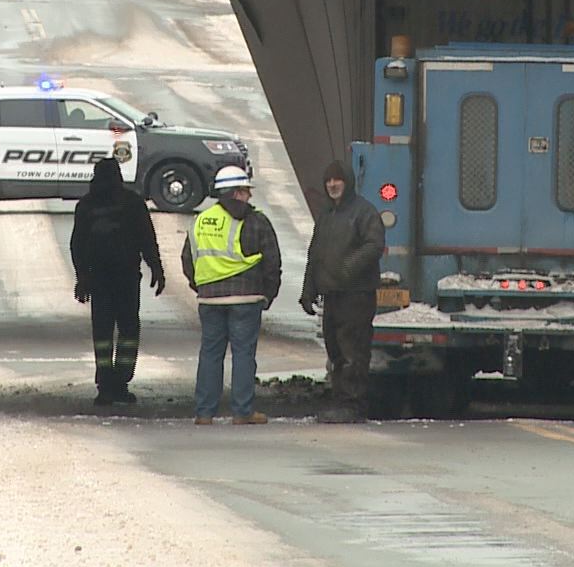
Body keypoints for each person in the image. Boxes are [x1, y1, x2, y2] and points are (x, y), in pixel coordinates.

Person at [182, 165, 282, 425]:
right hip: (246, 299)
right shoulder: (256, 220)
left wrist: (201, 286)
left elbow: (188, 259)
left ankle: (204, 413)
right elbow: (272, 261)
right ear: (236, 192)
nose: (249, 196)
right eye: (246, 191)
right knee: (243, 354)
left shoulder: (201, 220)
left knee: (210, 354)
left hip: (209, 299)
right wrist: (268, 294)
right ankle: (242, 411)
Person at [69, 156, 165, 407]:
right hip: (125, 278)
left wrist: (82, 277)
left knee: (102, 332)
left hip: (101, 279)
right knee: (129, 330)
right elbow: (147, 238)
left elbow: (77, 245)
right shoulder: (131, 203)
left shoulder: (87, 206)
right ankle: (120, 383)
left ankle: (106, 386)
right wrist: (156, 268)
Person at [300, 161, 386, 423]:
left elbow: (374, 245)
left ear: (347, 183)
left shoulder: (364, 212)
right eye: (328, 181)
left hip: (357, 294)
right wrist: (309, 289)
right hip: (332, 294)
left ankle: (353, 404)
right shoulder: (326, 216)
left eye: (337, 180)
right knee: (335, 349)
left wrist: (348, 268)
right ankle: (340, 400)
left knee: (353, 350)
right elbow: (315, 253)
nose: (332, 185)